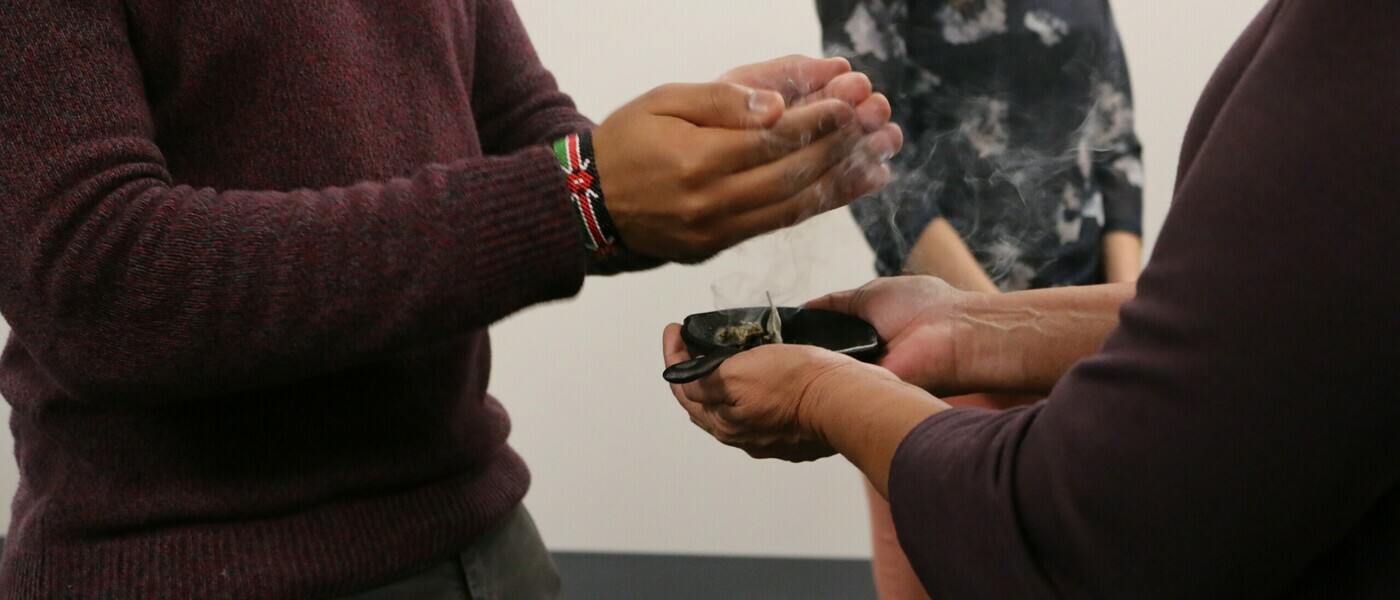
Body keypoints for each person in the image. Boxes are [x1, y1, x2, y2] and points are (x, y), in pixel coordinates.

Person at [0, 2, 904, 599]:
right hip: (187, 569)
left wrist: (716, 162)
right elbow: (98, 278)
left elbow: (532, 144)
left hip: (489, 549)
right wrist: (585, 193)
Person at [666, 0, 1400, 597]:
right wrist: (977, 325)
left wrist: (821, 394)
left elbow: (1076, 538)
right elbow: (885, 156)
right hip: (955, 330)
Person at [814, 1, 1143, 594]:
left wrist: (1123, 328)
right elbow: (865, 157)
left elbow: (1117, 149)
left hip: (1084, 356)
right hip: (937, 344)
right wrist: (997, 328)